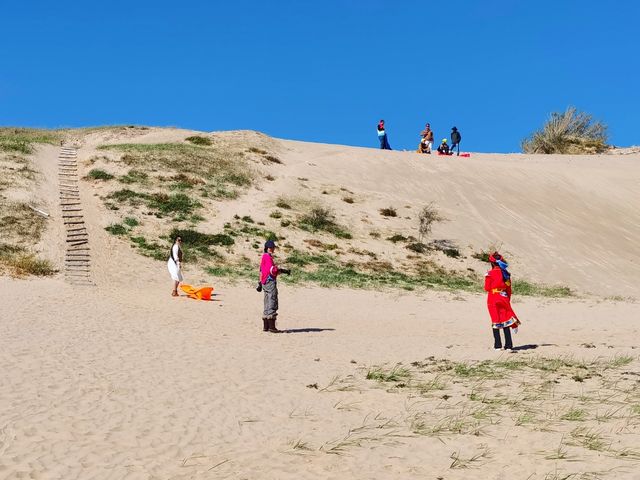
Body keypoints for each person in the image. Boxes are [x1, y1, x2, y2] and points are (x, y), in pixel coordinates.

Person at [484, 252, 521, 350]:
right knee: (506, 320)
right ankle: (508, 345)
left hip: (493, 297)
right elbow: (509, 289)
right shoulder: (506, 274)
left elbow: (487, 288)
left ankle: (497, 345)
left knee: (495, 320)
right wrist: (507, 299)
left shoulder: (489, 274)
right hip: (503, 296)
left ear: (492, 263)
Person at [259, 239, 290, 333]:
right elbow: (272, 270)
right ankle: (272, 326)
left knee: (267, 302)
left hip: (264, 282)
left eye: (272, 247)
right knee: (272, 301)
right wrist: (283, 271)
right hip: (270, 282)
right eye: (271, 248)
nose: (272, 249)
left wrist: (260, 282)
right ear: (267, 248)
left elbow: (261, 270)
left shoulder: (263, 257)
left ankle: (266, 326)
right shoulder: (268, 257)